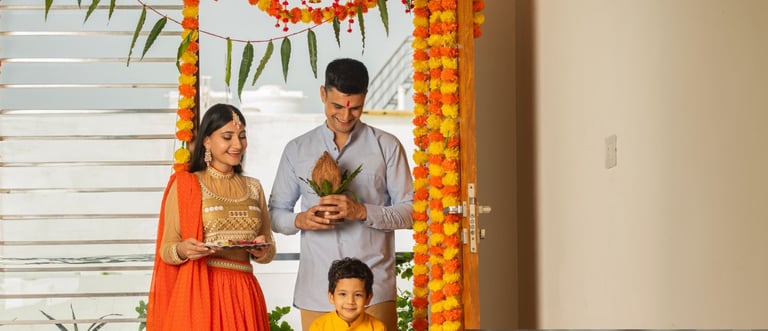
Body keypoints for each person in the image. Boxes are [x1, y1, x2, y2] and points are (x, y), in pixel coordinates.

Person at [269, 58, 414, 331]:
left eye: (355, 108)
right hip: (317, 289)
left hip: (373, 291)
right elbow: (276, 214)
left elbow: (412, 211)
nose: (345, 116)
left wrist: (362, 211)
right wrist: (300, 220)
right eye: (336, 106)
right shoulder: (297, 149)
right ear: (323, 94)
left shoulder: (387, 146)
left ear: (364, 99)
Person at [147, 103, 276, 331]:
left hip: (245, 293)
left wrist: (262, 251)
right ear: (207, 140)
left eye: (242, 136)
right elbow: (167, 248)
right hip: (202, 290)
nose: (237, 144)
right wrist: (183, 250)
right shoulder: (187, 185)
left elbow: (269, 246)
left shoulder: (254, 188)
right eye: (228, 137)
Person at [310, 257, 387, 331]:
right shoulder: (319, 327)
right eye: (343, 294)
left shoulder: (377, 327)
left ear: (368, 298)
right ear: (331, 297)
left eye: (358, 295)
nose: (350, 301)